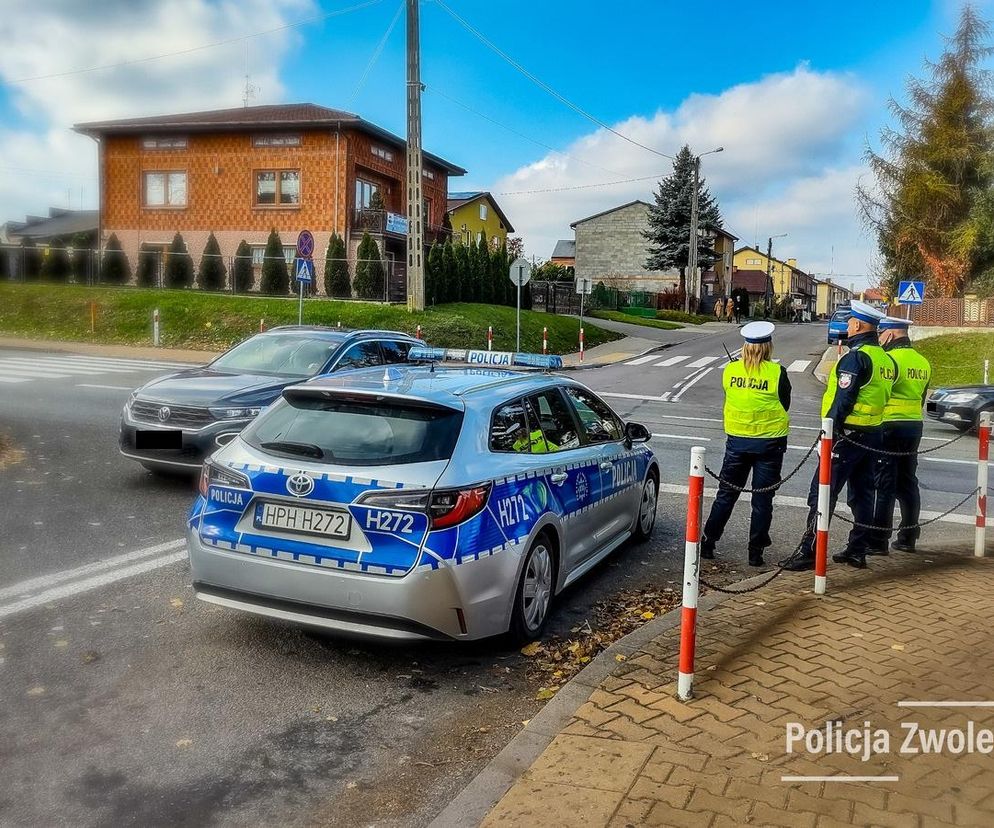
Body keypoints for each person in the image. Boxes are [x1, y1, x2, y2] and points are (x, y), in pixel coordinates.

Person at [783, 300, 897, 571]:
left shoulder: (856, 357)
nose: (847, 325)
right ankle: (857, 550)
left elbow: (843, 400)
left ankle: (810, 551)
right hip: (873, 434)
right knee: (863, 494)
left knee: (821, 493)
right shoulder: (885, 358)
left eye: (849, 321)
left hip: (846, 437)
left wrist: (829, 434)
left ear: (858, 325)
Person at [701, 321, 791, 567]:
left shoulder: (730, 371)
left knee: (726, 495)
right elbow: (785, 403)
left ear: (745, 347)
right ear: (768, 347)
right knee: (762, 500)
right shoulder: (777, 373)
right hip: (769, 445)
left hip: (737, 444)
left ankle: (708, 542)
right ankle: (755, 552)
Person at [867, 316, 932, 553]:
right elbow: (922, 397)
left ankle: (878, 541)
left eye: (881, 333)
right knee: (907, 482)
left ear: (891, 335)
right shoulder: (923, 361)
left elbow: (879, 393)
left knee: (885, 484)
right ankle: (908, 537)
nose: (880, 338)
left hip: (889, 424)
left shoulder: (889, 360)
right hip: (914, 426)